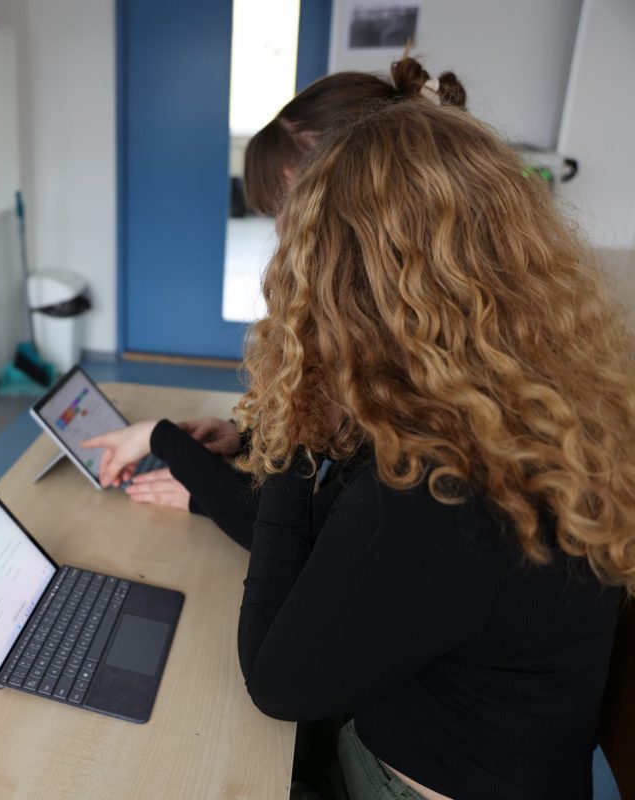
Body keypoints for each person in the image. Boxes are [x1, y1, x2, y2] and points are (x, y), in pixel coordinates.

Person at [89, 97, 634, 798]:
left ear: (344, 291)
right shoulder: (523, 408)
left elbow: (275, 681)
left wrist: (288, 419)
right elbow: (347, 555)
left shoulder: (439, 492)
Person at [98, 56, 469, 526]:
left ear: (368, 194)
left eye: (290, 202)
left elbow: (301, 535)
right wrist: (243, 440)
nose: (281, 228)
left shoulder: (417, 374)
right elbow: (327, 451)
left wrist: (161, 441)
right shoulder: (384, 317)